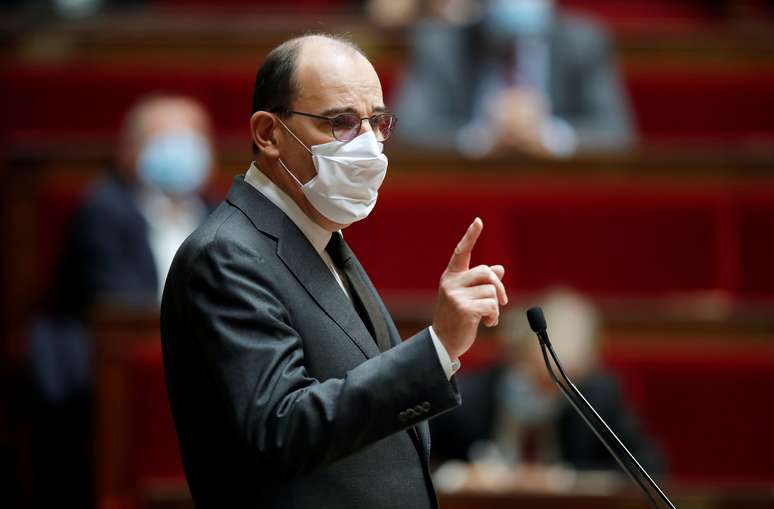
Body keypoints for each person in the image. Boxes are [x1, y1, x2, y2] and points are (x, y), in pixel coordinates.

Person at [160, 34, 508, 509]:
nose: (368, 146)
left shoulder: (322, 238)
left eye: (377, 123)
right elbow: (280, 428)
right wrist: (436, 348)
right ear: (268, 133)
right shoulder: (227, 255)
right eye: (341, 123)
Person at [26, 94, 214, 509]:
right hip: (118, 369)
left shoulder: (218, 211)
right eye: (168, 140)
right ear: (130, 151)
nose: (184, 151)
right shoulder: (103, 210)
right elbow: (120, 312)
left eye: (194, 139)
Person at [430, 290, 663, 477]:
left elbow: (647, 466)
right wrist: (457, 476)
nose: (547, 390)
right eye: (539, 378)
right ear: (517, 355)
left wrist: (567, 480)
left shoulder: (597, 397)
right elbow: (417, 463)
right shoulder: (467, 396)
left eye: (560, 383)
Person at [394, 0, 635, 158]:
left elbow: (616, 134)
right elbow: (407, 132)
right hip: (470, 190)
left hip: (556, 191)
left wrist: (548, 136)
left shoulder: (584, 41)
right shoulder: (440, 42)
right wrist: (482, 138)